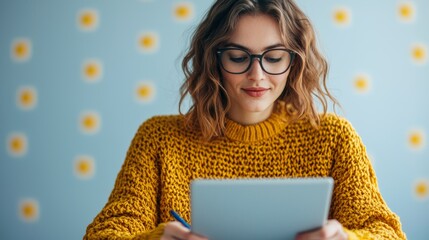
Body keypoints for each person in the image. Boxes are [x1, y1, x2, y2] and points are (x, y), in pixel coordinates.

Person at [84, 0, 406, 239]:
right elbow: (104, 234)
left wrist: (348, 238)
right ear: (214, 61)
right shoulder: (158, 139)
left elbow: (386, 232)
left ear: (295, 62)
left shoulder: (334, 138)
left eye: (274, 57)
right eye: (238, 57)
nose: (257, 75)